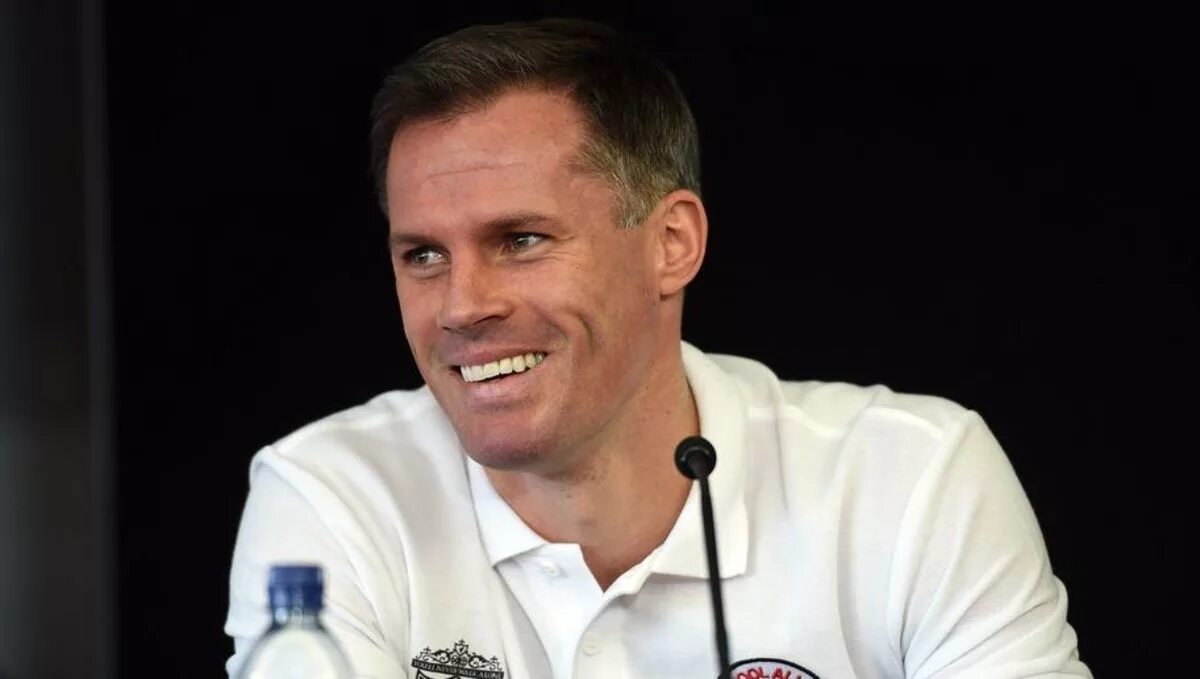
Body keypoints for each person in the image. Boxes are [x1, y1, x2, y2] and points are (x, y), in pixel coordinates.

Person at [224, 18, 1091, 678]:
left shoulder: (912, 477)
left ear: (671, 243)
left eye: (521, 239)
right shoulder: (329, 496)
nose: (462, 305)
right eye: (423, 255)